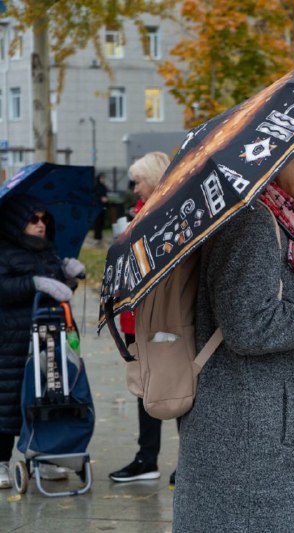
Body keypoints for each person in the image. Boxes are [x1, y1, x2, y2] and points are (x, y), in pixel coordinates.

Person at [172, 135, 294, 531]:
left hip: (265, 433)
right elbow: (249, 326)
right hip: (255, 443)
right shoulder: (252, 220)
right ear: (275, 156)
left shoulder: (278, 217)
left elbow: (277, 292)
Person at [0, 194, 85, 488]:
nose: (41, 225)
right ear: (16, 223)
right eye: (33, 219)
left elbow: (59, 288)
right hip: (12, 340)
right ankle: (1, 461)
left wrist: (70, 275)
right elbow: (4, 289)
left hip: (49, 335)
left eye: (44, 219)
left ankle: (45, 455)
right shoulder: (4, 252)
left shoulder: (48, 251)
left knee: (49, 395)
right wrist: (34, 283)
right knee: (8, 401)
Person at [109, 151, 174, 484]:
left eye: (138, 182)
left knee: (177, 387)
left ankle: (186, 461)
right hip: (135, 319)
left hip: (163, 318)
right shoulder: (137, 216)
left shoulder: (169, 215)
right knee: (144, 389)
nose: (133, 189)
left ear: (155, 178)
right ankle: (147, 458)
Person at [92, 173, 109, 243]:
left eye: (103, 178)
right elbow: (94, 196)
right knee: (98, 222)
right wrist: (100, 199)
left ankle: (100, 236)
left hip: (103, 206)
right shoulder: (95, 187)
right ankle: (97, 237)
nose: (103, 180)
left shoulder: (104, 187)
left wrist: (106, 199)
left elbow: (105, 194)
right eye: (101, 178)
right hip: (97, 206)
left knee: (102, 222)